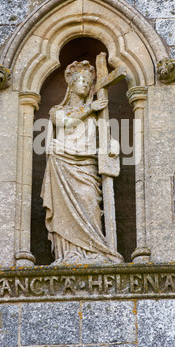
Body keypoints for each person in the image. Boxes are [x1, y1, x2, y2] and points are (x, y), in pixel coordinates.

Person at [41, 60, 123, 265]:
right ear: (71, 84)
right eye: (81, 80)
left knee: (90, 203)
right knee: (63, 210)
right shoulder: (57, 111)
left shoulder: (96, 117)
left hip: (87, 165)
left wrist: (113, 146)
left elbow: (105, 138)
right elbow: (64, 121)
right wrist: (89, 107)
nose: (85, 84)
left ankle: (95, 252)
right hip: (62, 163)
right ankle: (69, 254)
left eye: (88, 81)